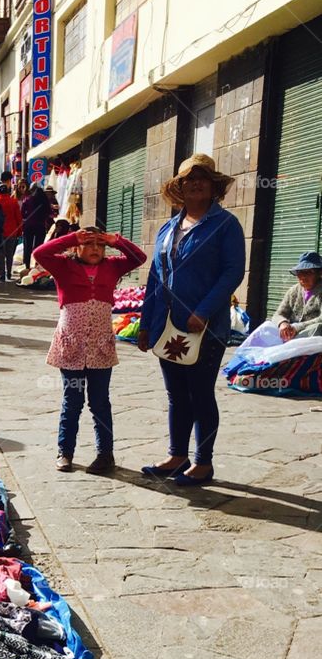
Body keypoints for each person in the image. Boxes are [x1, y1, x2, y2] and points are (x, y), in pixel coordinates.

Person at [139, 153, 246, 486]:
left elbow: (232, 272)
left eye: (203, 178)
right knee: (176, 394)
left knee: (200, 393)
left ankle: (203, 462)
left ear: (213, 187)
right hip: (168, 325)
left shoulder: (226, 225)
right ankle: (177, 455)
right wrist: (145, 323)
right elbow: (155, 278)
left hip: (206, 326)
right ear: (180, 188)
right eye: (189, 179)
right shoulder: (168, 229)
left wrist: (203, 310)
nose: (196, 183)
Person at [35, 228, 147, 474]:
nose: (95, 249)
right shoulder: (63, 266)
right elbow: (39, 253)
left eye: (100, 244)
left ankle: (105, 455)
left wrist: (116, 241)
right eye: (88, 244)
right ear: (76, 248)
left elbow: (139, 258)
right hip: (72, 347)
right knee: (72, 402)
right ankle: (65, 452)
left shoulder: (113, 267)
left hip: (100, 348)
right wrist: (72, 237)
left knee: (99, 402)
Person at [273, 252, 322, 339]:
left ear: (319, 273)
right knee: (267, 326)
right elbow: (279, 314)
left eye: (309, 272)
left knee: (317, 328)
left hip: (308, 334)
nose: (303, 276)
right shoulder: (293, 291)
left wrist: (297, 327)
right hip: (290, 332)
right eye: (300, 272)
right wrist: (282, 323)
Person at [0, 181, 23, 282]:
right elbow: (18, 217)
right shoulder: (13, 202)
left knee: (1, 254)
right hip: (12, 231)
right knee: (10, 254)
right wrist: (20, 231)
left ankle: (2, 274)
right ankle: (9, 273)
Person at [20, 184, 52, 270]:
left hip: (28, 226)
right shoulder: (45, 201)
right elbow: (49, 213)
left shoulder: (27, 199)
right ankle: (37, 265)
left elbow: (22, 213)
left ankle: (27, 266)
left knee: (27, 247)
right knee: (38, 247)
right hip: (40, 226)